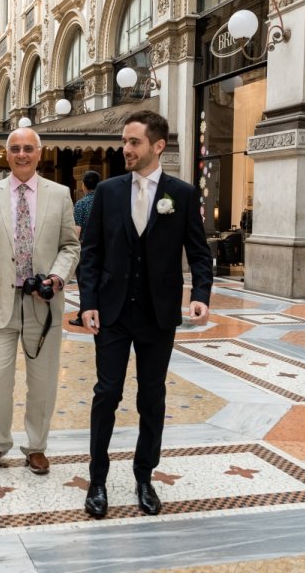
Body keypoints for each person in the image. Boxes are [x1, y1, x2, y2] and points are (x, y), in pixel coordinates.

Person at [79, 111, 213, 518]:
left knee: (152, 397)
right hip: (113, 311)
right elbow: (91, 253)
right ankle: (97, 480)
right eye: (124, 141)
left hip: (158, 313)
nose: (126, 149)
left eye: (134, 142)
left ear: (157, 146)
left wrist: (201, 294)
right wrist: (88, 303)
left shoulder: (183, 194)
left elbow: (200, 251)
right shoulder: (108, 191)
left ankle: (144, 476)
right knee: (107, 394)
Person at [0, 126, 80, 475]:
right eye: (15, 149)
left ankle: (37, 446)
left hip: (43, 305)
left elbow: (70, 246)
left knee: (42, 382)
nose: (22, 154)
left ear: (39, 153)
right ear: (6, 154)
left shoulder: (59, 195)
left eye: (28, 148)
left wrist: (56, 276)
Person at [69, 170, 100, 327]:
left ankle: (84, 314)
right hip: (105, 251)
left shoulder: (81, 204)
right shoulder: (106, 201)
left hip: (86, 251)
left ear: (84, 185)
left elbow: (76, 231)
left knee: (85, 283)